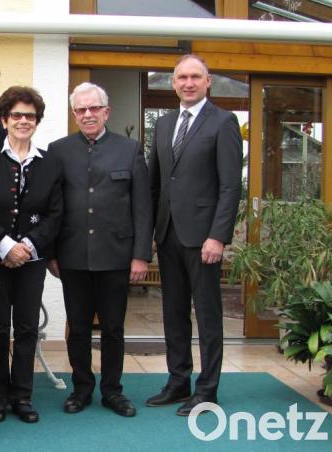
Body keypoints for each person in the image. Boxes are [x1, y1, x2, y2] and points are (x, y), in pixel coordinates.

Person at [47, 82, 152, 418]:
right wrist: (51, 253)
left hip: (116, 255)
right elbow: (52, 205)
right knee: (77, 327)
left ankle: (112, 391)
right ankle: (81, 388)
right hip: (72, 255)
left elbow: (142, 207)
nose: (88, 114)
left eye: (94, 108)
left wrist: (140, 255)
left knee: (112, 328)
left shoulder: (130, 149)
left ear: (106, 112)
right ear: (74, 114)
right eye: (81, 109)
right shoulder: (58, 150)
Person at [146, 54, 242, 416]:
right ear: (173, 83)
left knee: (207, 314)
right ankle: (177, 381)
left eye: (195, 77)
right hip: (169, 234)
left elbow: (231, 186)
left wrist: (218, 236)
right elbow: (156, 181)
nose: (188, 83)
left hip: (204, 238)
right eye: (182, 77)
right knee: (173, 313)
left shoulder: (224, 122)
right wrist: (153, 233)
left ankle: (207, 389)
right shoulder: (164, 123)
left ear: (208, 81)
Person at [0, 86, 62, 424]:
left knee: (25, 327)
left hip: (33, 260)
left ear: (37, 121)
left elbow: (56, 213)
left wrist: (29, 248)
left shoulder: (50, 161)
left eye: (30, 116)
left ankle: (22, 395)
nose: (24, 121)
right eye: (17, 115)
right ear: (5, 119)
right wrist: (6, 246)